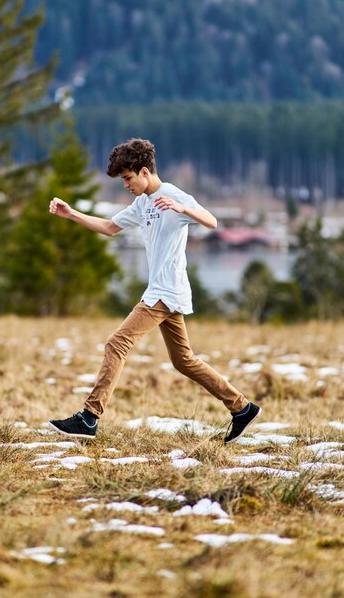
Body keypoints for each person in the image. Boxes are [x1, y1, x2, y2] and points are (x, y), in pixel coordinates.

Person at [48, 138, 261, 443]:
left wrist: (182, 207)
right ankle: (242, 407)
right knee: (183, 360)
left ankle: (89, 417)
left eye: (127, 178)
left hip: (164, 291)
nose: (125, 185)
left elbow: (212, 222)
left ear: (144, 171)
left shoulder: (173, 195)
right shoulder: (142, 202)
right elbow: (110, 227)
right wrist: (71, 214)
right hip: (165, 291)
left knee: (116, 344)